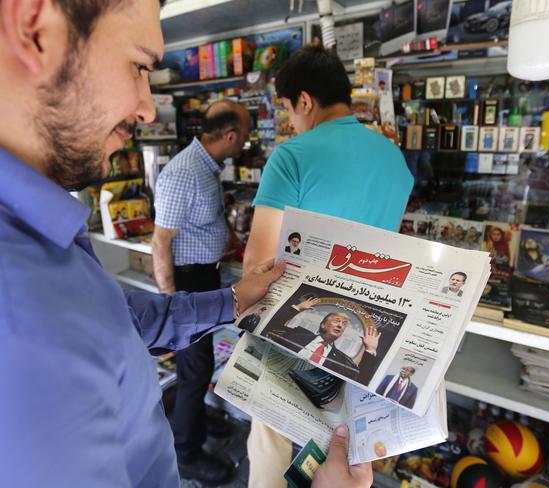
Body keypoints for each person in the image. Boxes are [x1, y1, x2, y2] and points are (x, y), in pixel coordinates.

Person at [0, 2, 366, 487]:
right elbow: (161, 244)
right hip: (190, 275)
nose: (148, 108)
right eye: (139, 65)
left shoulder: (45, 236)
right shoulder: (21, 319)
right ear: (33, 28)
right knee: (193, 378)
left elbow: (119, 319)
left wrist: (233, 300)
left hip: (206, 285)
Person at [242, 44, 414, 488]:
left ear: (304, 100)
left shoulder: (293, 155)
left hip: (296, 326)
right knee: (345, 446)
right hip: (365, 328)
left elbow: (258, 260)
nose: (293, 122)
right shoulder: (394, 159)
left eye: (288, 109)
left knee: (271, 444)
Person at [151, 100, 250, 483]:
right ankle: (185, 452)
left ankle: (198, 422)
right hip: (187, 284)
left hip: (204, 277)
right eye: (243, 136)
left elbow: (207, 220)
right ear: (229, 136)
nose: (245, 143)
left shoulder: (208, 168)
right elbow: (161, 242)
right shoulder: (183, 174)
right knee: (193, 370)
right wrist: (172, 305)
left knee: (201, 363)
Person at [263, 298, 380, 381]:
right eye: (337, 321)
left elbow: (360, 378)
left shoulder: (342, 360)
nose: (341, 326)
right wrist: (297, 308)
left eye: (344, 324)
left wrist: (370, 350)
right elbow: (271, 327)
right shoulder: (298, 333)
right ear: (323, 325)